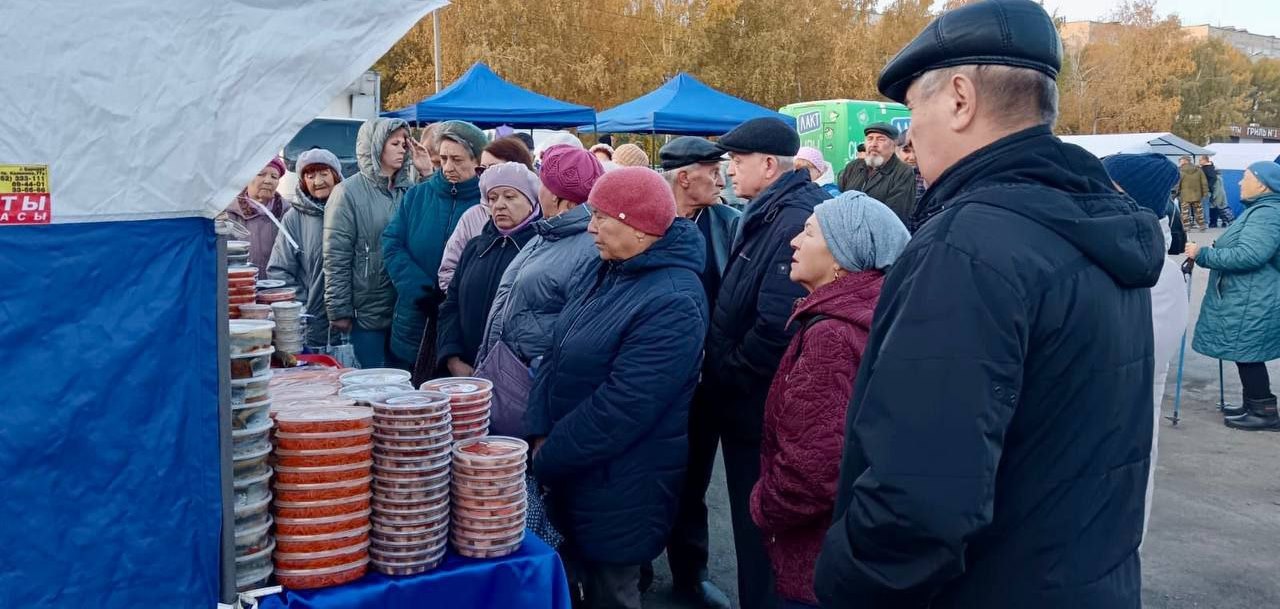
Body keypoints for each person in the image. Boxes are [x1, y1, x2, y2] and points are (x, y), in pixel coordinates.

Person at [814, 2, 1164, 607]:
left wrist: (843, 585)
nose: (908, 136)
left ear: (958, 99)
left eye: (911, 111)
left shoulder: (969, 245)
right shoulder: (1094, 221)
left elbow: (917, 501)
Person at [528, 167, 709, 609]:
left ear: (639, 227)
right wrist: (536, 429)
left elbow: (624, 406)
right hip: (572, 467)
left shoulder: (674, 299)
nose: (589, 227)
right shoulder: (604, 267)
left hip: (623, 485)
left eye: (601, 217)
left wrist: (549, 455)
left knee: (611, 591)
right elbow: (556, 349)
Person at [751, 192, 908, 609]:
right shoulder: (870, 312)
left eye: (808, 232)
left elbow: (812, 471)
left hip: (813, 560)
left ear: (841, 256)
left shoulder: (832, 336)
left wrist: (763, 506)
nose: (794, 243)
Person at [700, 117, 827, 609]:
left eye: (737, 161)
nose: (729, 171)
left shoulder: (793, 217)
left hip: (757, 406)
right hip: (750, 402)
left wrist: (727, 373)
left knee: (763, 535)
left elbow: (776, 324)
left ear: (769, 164)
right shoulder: (771, 210)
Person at [657, 136, 741, 609]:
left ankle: (692, 573)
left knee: (693, 480)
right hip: (649, 377)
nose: (722, 176)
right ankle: (636, 564)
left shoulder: (730, 224)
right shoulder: (647, 219)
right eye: (713, 169)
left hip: (706, 380)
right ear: (684, 177)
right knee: (642, 472)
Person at [1102, 153, 1188, 539]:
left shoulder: (1158, 274)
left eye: (1108, 186)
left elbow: (1127, 359)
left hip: (1119, 429)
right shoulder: (1121, 255)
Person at [478, 145, 605, 372]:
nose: (538, 189)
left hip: (531, 376)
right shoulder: (550, 232)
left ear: (556, 196)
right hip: (507, 367)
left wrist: (536, 367)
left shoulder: (590, 246)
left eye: (543, 182)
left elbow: (578, 328)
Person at [382, 120, 487, 374]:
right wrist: (422, 291)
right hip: (414, 319)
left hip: (462, 326)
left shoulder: (487, 204)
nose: (449, 167)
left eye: (458, 160)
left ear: (477, 161)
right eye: (443, 159)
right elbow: (392, 244)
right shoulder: (418, 196)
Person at [1186, 161, 1280, 431]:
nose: (1239, 182)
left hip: (1254, 295)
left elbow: (1250, 255)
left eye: (1246, 177)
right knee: (1246, 350)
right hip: (1250, 293)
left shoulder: (1267, 213)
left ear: (1262, 184)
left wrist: (1203, 254)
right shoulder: (1262, 210)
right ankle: (1254, 404)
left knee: (1248, 351)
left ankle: (1264, 411)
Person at [323, 118, 413, 369]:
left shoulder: (408, 190)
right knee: (370, 385)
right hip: (365, 312)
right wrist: (339, 309)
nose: (402, 149)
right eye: (394, 143)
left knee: (402, 387)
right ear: (375, 147)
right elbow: (335, 255)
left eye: (404, 143)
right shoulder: (347, 193)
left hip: (403, 308)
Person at [436, 163, 541, 376]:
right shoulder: (475, 248)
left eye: (510, 197)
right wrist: (452, 358)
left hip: (516, 375)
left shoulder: (542, 250)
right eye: (493, 198)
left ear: (531, 202)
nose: (499, 205)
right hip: (464, 371)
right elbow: (450, 306)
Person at [438, 136, 537, 292]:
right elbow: (448, 271)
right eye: (481, 169)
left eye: (493, 168)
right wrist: (463, 302)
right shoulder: (471, 216)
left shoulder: (543, 226)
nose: (486, 176)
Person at [268, 148, 343, 350]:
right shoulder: (293, 219)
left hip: (353, 323)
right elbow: (279, 270)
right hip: (312, 324)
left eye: (324, 173)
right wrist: (303, 304)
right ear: (302, 182)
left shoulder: (350, 210)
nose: (318, 181)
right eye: (310, 176)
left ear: (336, 176)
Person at [836, 123, 917, 225]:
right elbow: (841, 198)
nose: (873, 144)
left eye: (880, 139)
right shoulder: (854, 167)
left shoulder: (903, 172)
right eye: (870, 139)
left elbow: (894, 215)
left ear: (893, 146)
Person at [226, 157, 287, 272]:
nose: (268, 181)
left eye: (274, 177)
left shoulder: (288, 214)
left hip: (278, 286)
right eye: (260, 174)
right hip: (240, 284)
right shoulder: (228, 214)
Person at [898, 131, 927, 220]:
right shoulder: (885, 176)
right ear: (896, 151)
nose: (912, 157)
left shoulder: (928, 177)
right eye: (906, 151)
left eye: (916, 151)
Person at [1178, 155, 1209, 231]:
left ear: (1185, 161)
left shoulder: (1181, 171)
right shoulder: (1198, 170)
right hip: (1197, 195)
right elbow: (1204, 182)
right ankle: (1202, 226)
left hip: (1185, 195)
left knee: (1185, 212)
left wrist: (1175, 193)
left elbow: (1177, 183)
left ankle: (1186, 227)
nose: (1180, 162)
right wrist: (1205, 193)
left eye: (1181, 160)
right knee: (1199, 212)